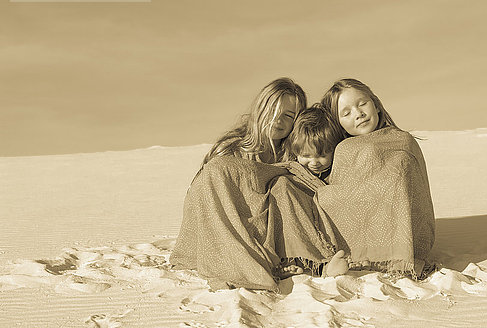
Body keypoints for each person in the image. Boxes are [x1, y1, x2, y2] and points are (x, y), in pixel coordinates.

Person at [170, 78, 341, 291]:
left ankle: (289, 257)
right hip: (239, 219)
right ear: (260, 109)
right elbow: (205, 191)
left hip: (276, 223)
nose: (277, 120)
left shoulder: (296, 151)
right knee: (219, 170)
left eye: (288, 116)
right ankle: (243, 262)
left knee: (283, 186)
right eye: (273, 111)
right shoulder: (231, 148)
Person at [318, 78, 436, 279]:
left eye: (362, 104)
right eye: (346, 113)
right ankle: (343, 258)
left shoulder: (402, 140)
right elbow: (339, 190)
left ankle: (395, 256)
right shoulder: (342, 149)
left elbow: (413, 184)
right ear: (338, 123)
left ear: (376, 105)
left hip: (404, 225)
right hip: (354, 224)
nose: (359, 114)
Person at [285, 104, 345, 182]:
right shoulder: (293, 171)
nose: (314, 163)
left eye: (322, 156)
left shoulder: (338, 172)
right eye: (306, 156)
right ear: (296, 152)